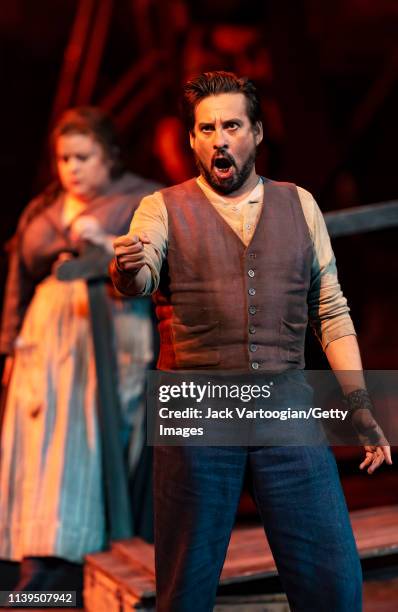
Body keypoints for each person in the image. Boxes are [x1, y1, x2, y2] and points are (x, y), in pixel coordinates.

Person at [111, 72, 392, 611]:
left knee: (332, 581)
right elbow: (140, 275)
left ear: (257, 133)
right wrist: (128, 267)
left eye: (232, 125)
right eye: (206, 128)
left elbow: (330, 311)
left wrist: (359, 405)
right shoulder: (161, 207)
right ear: (192, 139)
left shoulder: (298, 205)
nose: (219, 138)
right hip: (194, 410)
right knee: (185, 587)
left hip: (285, 404)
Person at [0, 107, 159, 594]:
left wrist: (111, 243)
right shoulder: (44, 208)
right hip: (46, 334)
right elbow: (19, 281)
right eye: (64, 158)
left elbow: (159, 259)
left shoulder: (141, 198)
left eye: (83, 157)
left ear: (108, 156)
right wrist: (9, 348)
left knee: (90, 438)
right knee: (41, 439)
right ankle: (41, 560)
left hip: (108, 326)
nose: (72, 168)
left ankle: (86, 555)